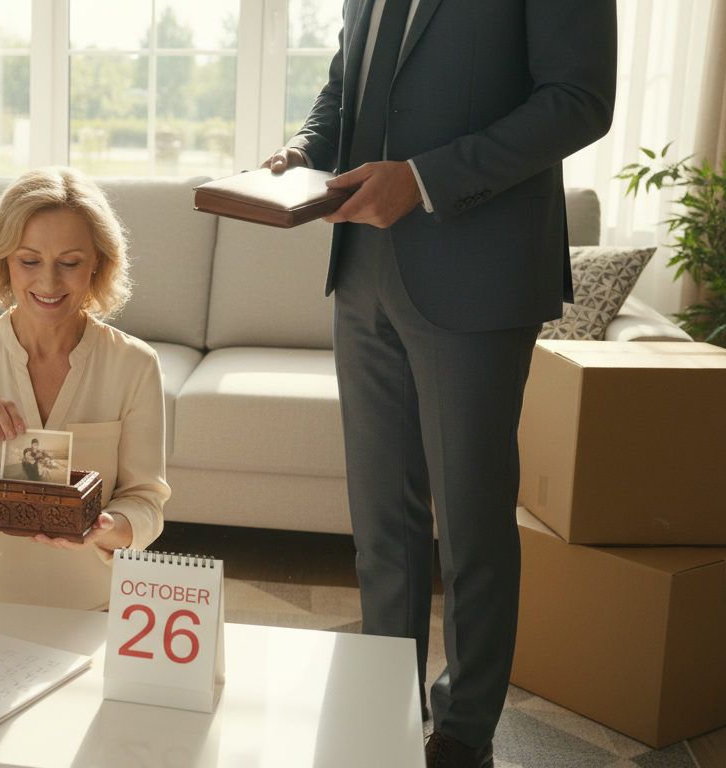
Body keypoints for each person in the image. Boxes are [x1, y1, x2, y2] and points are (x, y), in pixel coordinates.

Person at [263, 1, 616, 765]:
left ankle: (463, 732)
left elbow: (581, 99)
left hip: (479, 273)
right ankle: (382, 705)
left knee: (471, 525)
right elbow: (344, 86)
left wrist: (423, 180)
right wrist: (302, 150)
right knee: (381, 520)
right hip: (361, 273)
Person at [0, 165, 170, 612]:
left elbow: (146, 504)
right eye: (29, 261)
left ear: (96, 264)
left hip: (91, 612)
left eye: (70, 263)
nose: (48, 283)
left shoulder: (136, 365)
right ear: (4, 261)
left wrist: (105, 525)